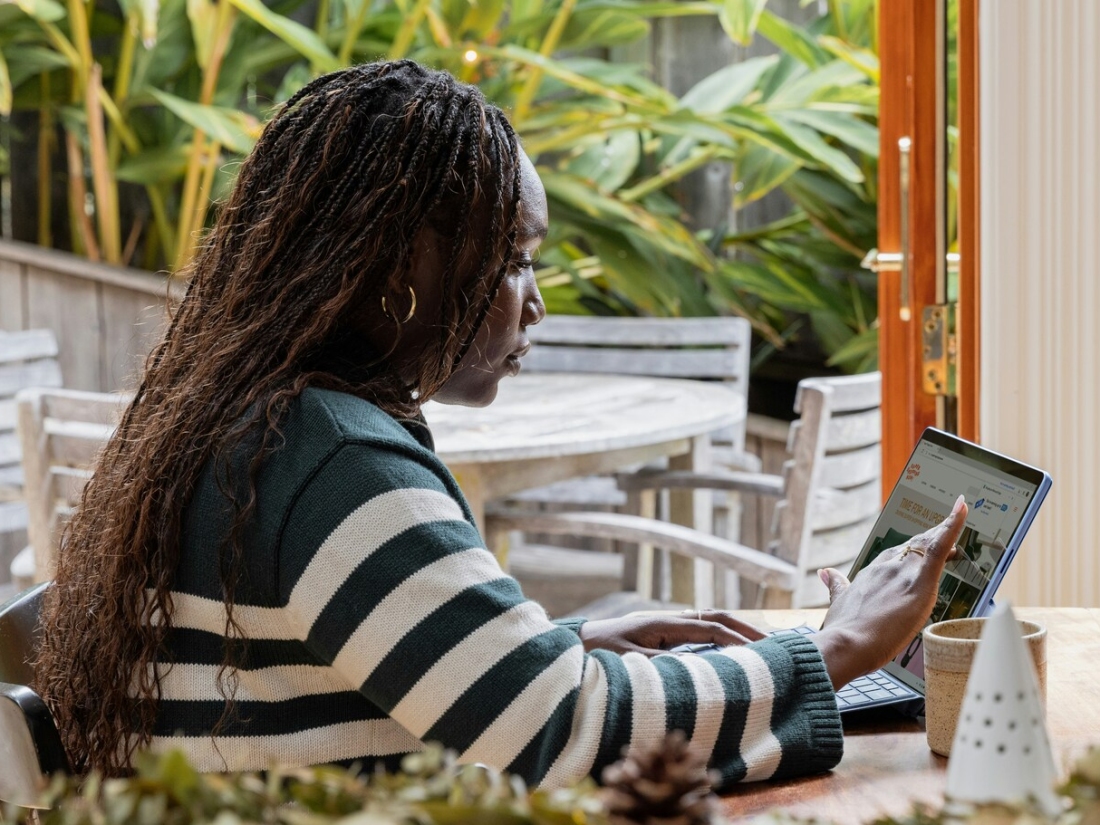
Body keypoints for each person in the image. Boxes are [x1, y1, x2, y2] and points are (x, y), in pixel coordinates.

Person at [34, 60, 968, 788]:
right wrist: (836, 648)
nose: (536, 304)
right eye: (515, 260)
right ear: (401, 267)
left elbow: (407, 678)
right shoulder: (332, 462)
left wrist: (553, 645)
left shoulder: (255, 418)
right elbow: (564, 733)